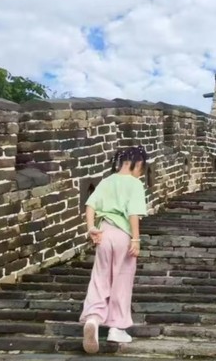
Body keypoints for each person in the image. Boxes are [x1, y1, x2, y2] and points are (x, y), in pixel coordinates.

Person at [79, 145, 149, 354]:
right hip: (122, 236)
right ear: (137, 164)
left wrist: (91, 228)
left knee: (99, 277)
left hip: (103, 233)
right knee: (122, 279)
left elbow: (90, 206)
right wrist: (135, 239)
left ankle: (93, 318)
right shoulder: (134, 184)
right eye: (142, 169)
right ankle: (116, 328)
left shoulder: (106, 181)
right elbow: (133, 213)